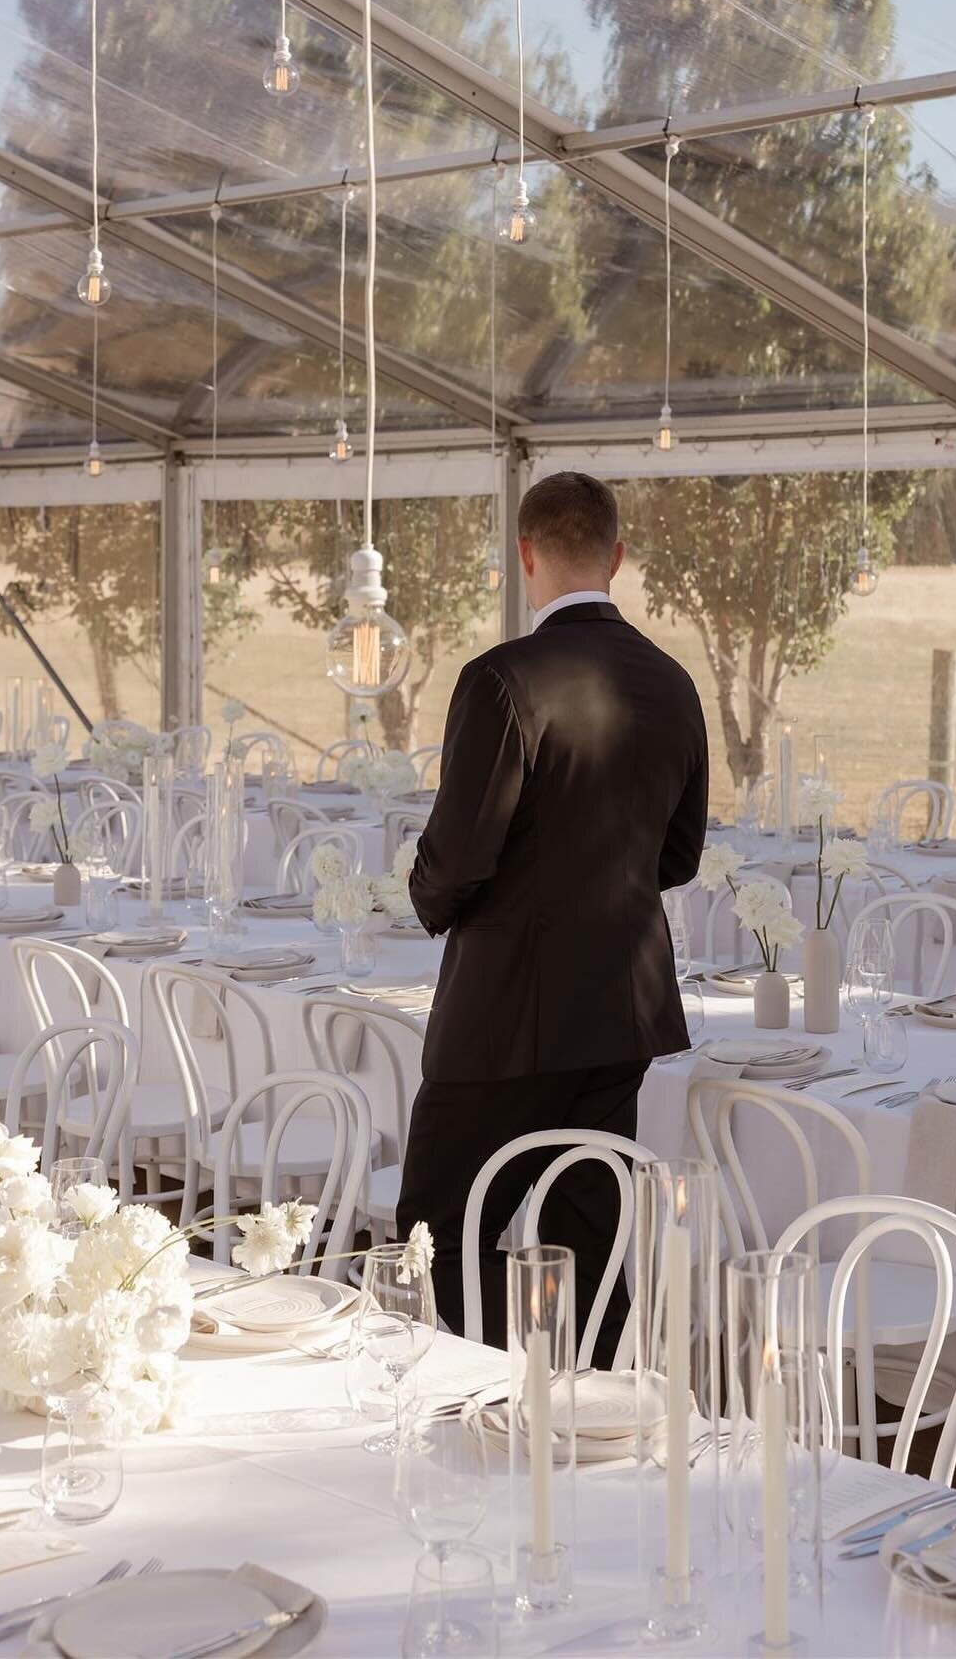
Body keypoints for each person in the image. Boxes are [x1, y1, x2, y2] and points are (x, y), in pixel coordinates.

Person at [397, 472, 709, 1363]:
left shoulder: (502, 679)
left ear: (525, 555)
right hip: (621, 1010)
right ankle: (582, 1407)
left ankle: (479, 1401)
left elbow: (458, 859)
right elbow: (678, 859)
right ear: (615, 557)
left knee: (440, 1231)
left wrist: (422, 898)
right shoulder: (672, 681)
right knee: (590, 1225)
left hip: (501, 1014)